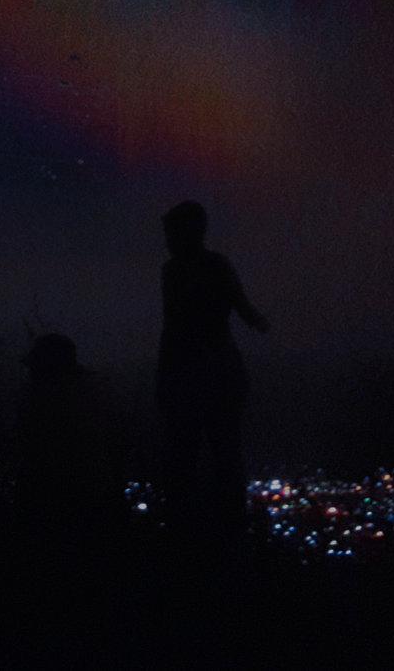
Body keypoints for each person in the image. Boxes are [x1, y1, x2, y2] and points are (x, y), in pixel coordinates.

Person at [155, 201, 269, 541]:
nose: (167, 241)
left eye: (171, 233)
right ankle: (231, 530)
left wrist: (165, 377)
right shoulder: (214, 265)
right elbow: (244, 309)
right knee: (225, 455)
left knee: (184, 458)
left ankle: (186, 532)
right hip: (221, 374)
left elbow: (174, 329)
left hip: (190, 377)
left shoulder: (174, 271)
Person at [14, 334, 125, 544]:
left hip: (48, 499)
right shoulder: (98, 393)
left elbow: (27, 449)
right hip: (95, 495)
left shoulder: (32, 397)